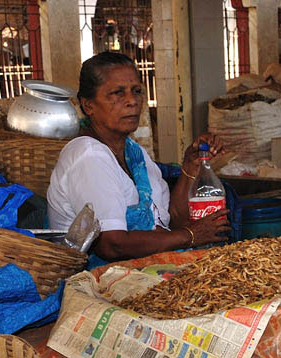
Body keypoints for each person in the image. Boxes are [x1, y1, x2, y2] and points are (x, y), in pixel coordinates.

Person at [48, 51, 230, 262]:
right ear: (88, 105)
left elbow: (171, 224)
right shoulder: (89, 155)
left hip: (146, 267)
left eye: (136, 91)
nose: (132, 101)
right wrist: (191, 236)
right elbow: (112, 245)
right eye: (117, 93)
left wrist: (191, 166)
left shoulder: (135, 153)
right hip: (102, 275)